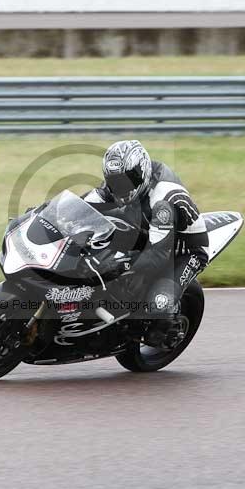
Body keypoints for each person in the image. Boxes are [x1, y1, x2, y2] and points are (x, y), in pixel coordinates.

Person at [83, 140, 209, 348]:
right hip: (148, 228)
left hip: (184, 248)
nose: (120, 188)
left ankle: (164, 330)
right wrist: (46, 211)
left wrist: (118, 268)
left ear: (141, 172)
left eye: (126, 181)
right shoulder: (120, 183)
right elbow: (86, 203)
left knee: (159, 303)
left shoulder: (162, 201)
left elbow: (159, 254)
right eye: (115, 182)